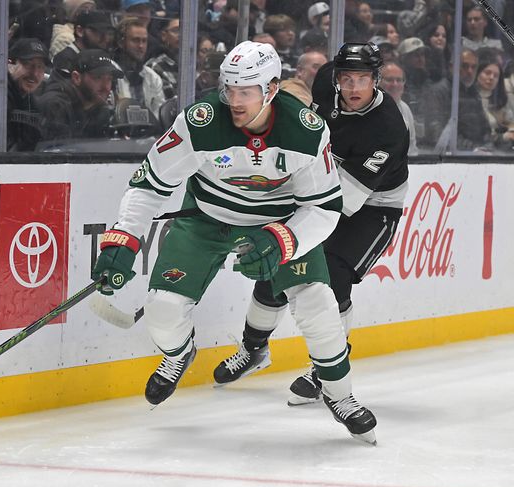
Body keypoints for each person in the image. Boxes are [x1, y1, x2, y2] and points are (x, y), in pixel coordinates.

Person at [91, 41, 377, 444]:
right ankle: (179, 354)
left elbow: (324, 208)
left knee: (318, 305)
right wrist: (123, 238)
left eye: (246, 92)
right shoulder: (200, 122)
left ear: (272, 89)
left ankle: (340, 395)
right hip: (207, 219)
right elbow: (149, 185)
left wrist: (282, 240)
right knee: (162, 309)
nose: (234, 101)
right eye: (229, 90)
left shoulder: (306, 132)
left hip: (277, 222)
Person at [213, 44, 407, 441]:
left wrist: (298, 215)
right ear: (335, 77)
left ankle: (326, 367)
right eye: (346, 79)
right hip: (317, 192)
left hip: (370, 206)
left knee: (333, 276)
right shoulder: (324, 85)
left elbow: (346, 201)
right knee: (276, 263)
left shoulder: (389, 127)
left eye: (363, 80)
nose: (353, 88)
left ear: (377, 80)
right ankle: (254, 349)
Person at [38, 48, 122, 142]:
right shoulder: (55, 106)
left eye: (109, 79)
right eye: (98, 77)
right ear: (76, 78)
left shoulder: (100, 110)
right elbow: (56, 153)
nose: (106, 87)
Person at [112, 17, 165, 120]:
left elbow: (158, 116)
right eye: (135, 40)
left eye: (144, 41)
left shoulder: (153, 77)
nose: (141, 46)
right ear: (120, 43)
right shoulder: (110, 72)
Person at [4, 38, 49, 151]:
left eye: (40, 67)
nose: (34, 74)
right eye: (28, 65)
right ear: (9, 64)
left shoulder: (32, 102)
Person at [51, 10, 114, 83]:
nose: (105, 38)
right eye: (99, 32)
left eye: (108, 33)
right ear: (80, 31)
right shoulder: (64, 59)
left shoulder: (102, 57)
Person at [379, 60, 418, 155]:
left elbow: (411, 148)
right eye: (389, 80)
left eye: (399, 80)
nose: (395, 84)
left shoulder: (405, 108)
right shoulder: (368, 109)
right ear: (377, 82)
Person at [145, 17, 180, 100]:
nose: (182, 34)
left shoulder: (192, 66)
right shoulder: (155, 66)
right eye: (176, 30)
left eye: (186, 31)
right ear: (164, 35)